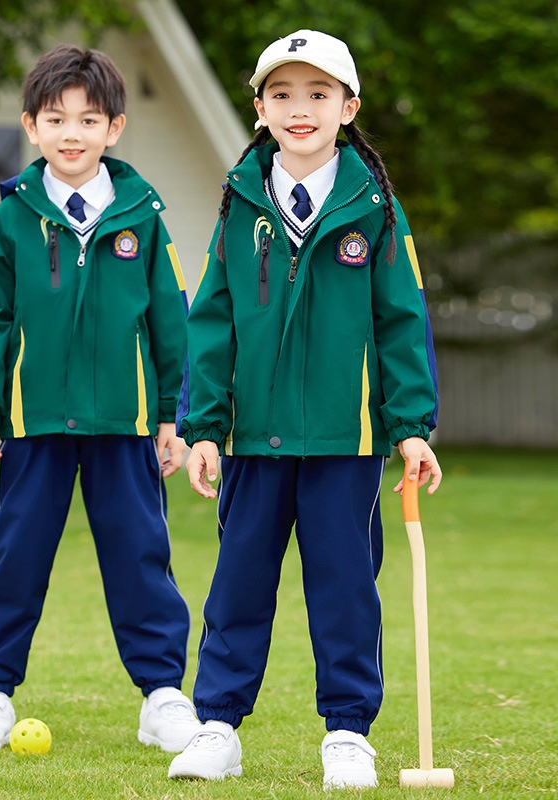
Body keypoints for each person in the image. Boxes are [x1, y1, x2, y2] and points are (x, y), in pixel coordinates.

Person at [168, 30, 441, 788]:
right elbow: (211, 322)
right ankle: (217, 724)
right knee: (238, 585)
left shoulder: (377, 209)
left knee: (346, 586)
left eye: (318, 95)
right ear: (259, 109)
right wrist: (202, 429)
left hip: (345, 441)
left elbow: (401, 323)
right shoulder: (238, 206)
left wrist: (412, 427)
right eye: (282, 94)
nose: (300, 109)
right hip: (252, 440)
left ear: (348, 107)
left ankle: (348, 733)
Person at [0, 44, 200, 754]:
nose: (72, 133)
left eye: (88, 120)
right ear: (31, 125)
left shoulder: (142, 218)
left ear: (114, 128)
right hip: (31, 424)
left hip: (125, 424)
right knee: (16, 556)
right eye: (56, 118)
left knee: (141, 556)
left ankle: (162, 696)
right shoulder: (12, 219)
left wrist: (174, 417)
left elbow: (169, 320)